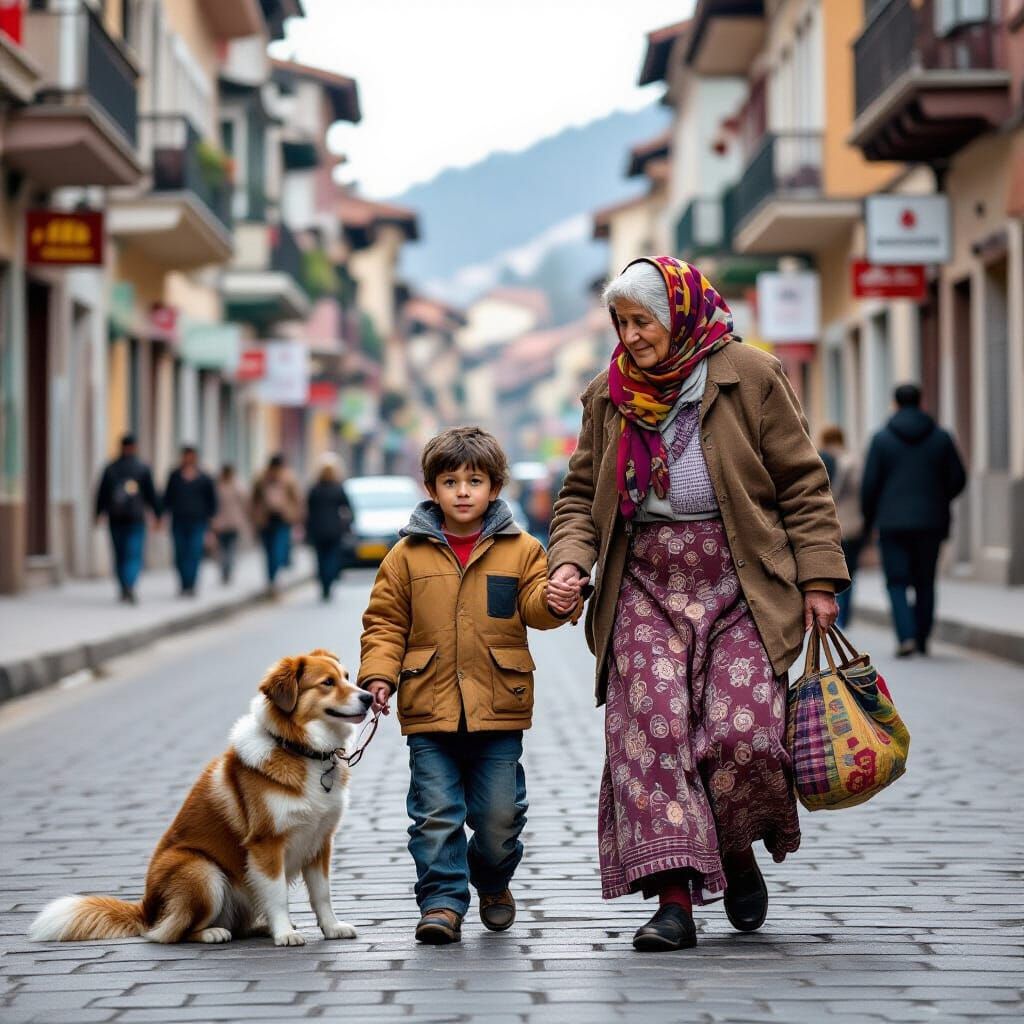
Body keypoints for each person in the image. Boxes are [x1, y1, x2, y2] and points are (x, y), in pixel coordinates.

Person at [545, 256, 848, 952]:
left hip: (739, 582)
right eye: (621, 323)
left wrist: (820, 581)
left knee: (743, 737)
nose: (632, 335)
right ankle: (675, 901)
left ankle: (735, 855)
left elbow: (802, 483)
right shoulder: (608, 393)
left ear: (678, 314)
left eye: (641, 320)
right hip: (643, 585)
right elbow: (579, 495)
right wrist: (569, 563)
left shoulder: (753, 376)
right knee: (651, 736)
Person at [358, 427, 577, 945]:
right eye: (450, 480)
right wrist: (379, 676)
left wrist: (558, 601)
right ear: (432, 488)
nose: (462, 491)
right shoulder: (405, 555)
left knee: (500, 818)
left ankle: (493, 878)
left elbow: (535, 606)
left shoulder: (522, 550)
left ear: (494, 487)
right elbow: (385, 623)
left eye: (474, 481)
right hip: (427, 707)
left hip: (498, 707)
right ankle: (442, 903)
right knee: (434, 814)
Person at [861, 383, 967, 657]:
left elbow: (870, 484)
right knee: (925, 581)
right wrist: (938, 498)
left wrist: (870, 518)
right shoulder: (941, 437)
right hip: (931, 522)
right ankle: (922, 638)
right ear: (922, 404)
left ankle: (905, 635)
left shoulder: (881, 439)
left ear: (894, 404)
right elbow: (958, 479)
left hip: (892, 523)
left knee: (896, 581)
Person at [94, 434, 161, 603]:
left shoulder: (111, 468)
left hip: (115, 518)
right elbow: (152, 494)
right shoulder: (142, 468)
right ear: (134, 447)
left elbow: (101, 494)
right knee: (133, 554)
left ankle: (124, 586)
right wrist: (157, 514)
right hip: (135, 518)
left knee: (120, 554)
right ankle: (129, 584)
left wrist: (98, 513)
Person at [817, 425, 864, 628]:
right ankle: (846, 615)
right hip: (853, 523)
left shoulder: (820, 459)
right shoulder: (853, 460)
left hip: (831, 522)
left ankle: (837, 612)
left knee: (833, 567)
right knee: (850, 570)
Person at [162, 446, 217, 597]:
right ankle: (183, 583)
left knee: (194, 552)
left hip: (198, 522)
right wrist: (161, 517)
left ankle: (191, 584)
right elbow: (167, 498)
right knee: (180, 553)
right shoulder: (174, 476)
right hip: (178, 521)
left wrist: (212, 525)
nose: (188, 459)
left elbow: (212, 502)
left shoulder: (205, 478)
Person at [305, 453, 354, 602]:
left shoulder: (314, 489)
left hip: (317, 530)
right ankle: (329, 580)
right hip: (334, 530)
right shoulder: (338, 488)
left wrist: (308, 530)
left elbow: (308, 511)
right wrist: (349, 523)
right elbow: (348, 508)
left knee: (320, 558)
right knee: (332, 558)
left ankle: (324, 584)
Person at [250, 454, 303, 593]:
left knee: (277, 549)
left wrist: (296, 515)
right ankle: (271, 578)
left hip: (282, 520)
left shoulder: (288, 479)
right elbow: (254, 499)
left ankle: (274, 576)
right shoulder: (262, 479)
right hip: (266, 520)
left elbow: (296, 498)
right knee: (268, 551)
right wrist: (255, 516)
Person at [210, 465, 248, 586]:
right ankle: (225, 570)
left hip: (232, 523)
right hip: (222, 523)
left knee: (229, 548)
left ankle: (227, 570)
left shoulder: (236, 486)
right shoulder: (218, 487)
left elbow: (245, 504)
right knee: (223, 549)